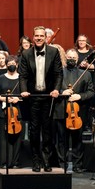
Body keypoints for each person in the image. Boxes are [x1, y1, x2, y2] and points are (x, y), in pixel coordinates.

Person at [18, 25, 63, 172]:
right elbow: (23, 76)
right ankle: (36, 161)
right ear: (33, 37)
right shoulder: (26, 54)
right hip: (33, 97)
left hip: (48, 97)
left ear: (45, 37)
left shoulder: (54, 52)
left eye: (41, 36)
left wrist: (56, 89)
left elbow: (58, 74)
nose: (38, 38)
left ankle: (46, 161)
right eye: (36, 36)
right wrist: (24, 91)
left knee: (48, 131)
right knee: (34, 131)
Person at [53, 48, 95, 173]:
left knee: (77, 140)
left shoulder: (85, 74)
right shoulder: (58, 72)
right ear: (65, 58)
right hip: (61, 110)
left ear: (77, 59)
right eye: (69, 57)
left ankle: (77, 164)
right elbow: (52, 89)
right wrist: (62, 92)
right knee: (61, 139)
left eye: (74, 58)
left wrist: (79, 96)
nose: (71, 59)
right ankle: (62, 164)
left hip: (78, 112)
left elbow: (91, 92)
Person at [0, 55, 23, 168]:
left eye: (13, 64)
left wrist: (18, 99)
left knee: (17, 138)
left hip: (18, 111)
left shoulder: (21, 78)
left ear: (17, 65)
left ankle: (15, 162)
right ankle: (4, 162)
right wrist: (5, 98)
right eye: (9, 64)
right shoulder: (1, 78)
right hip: (3, 112)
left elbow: (25, 95)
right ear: (6, 65)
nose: (11, 66)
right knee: (4, 138)